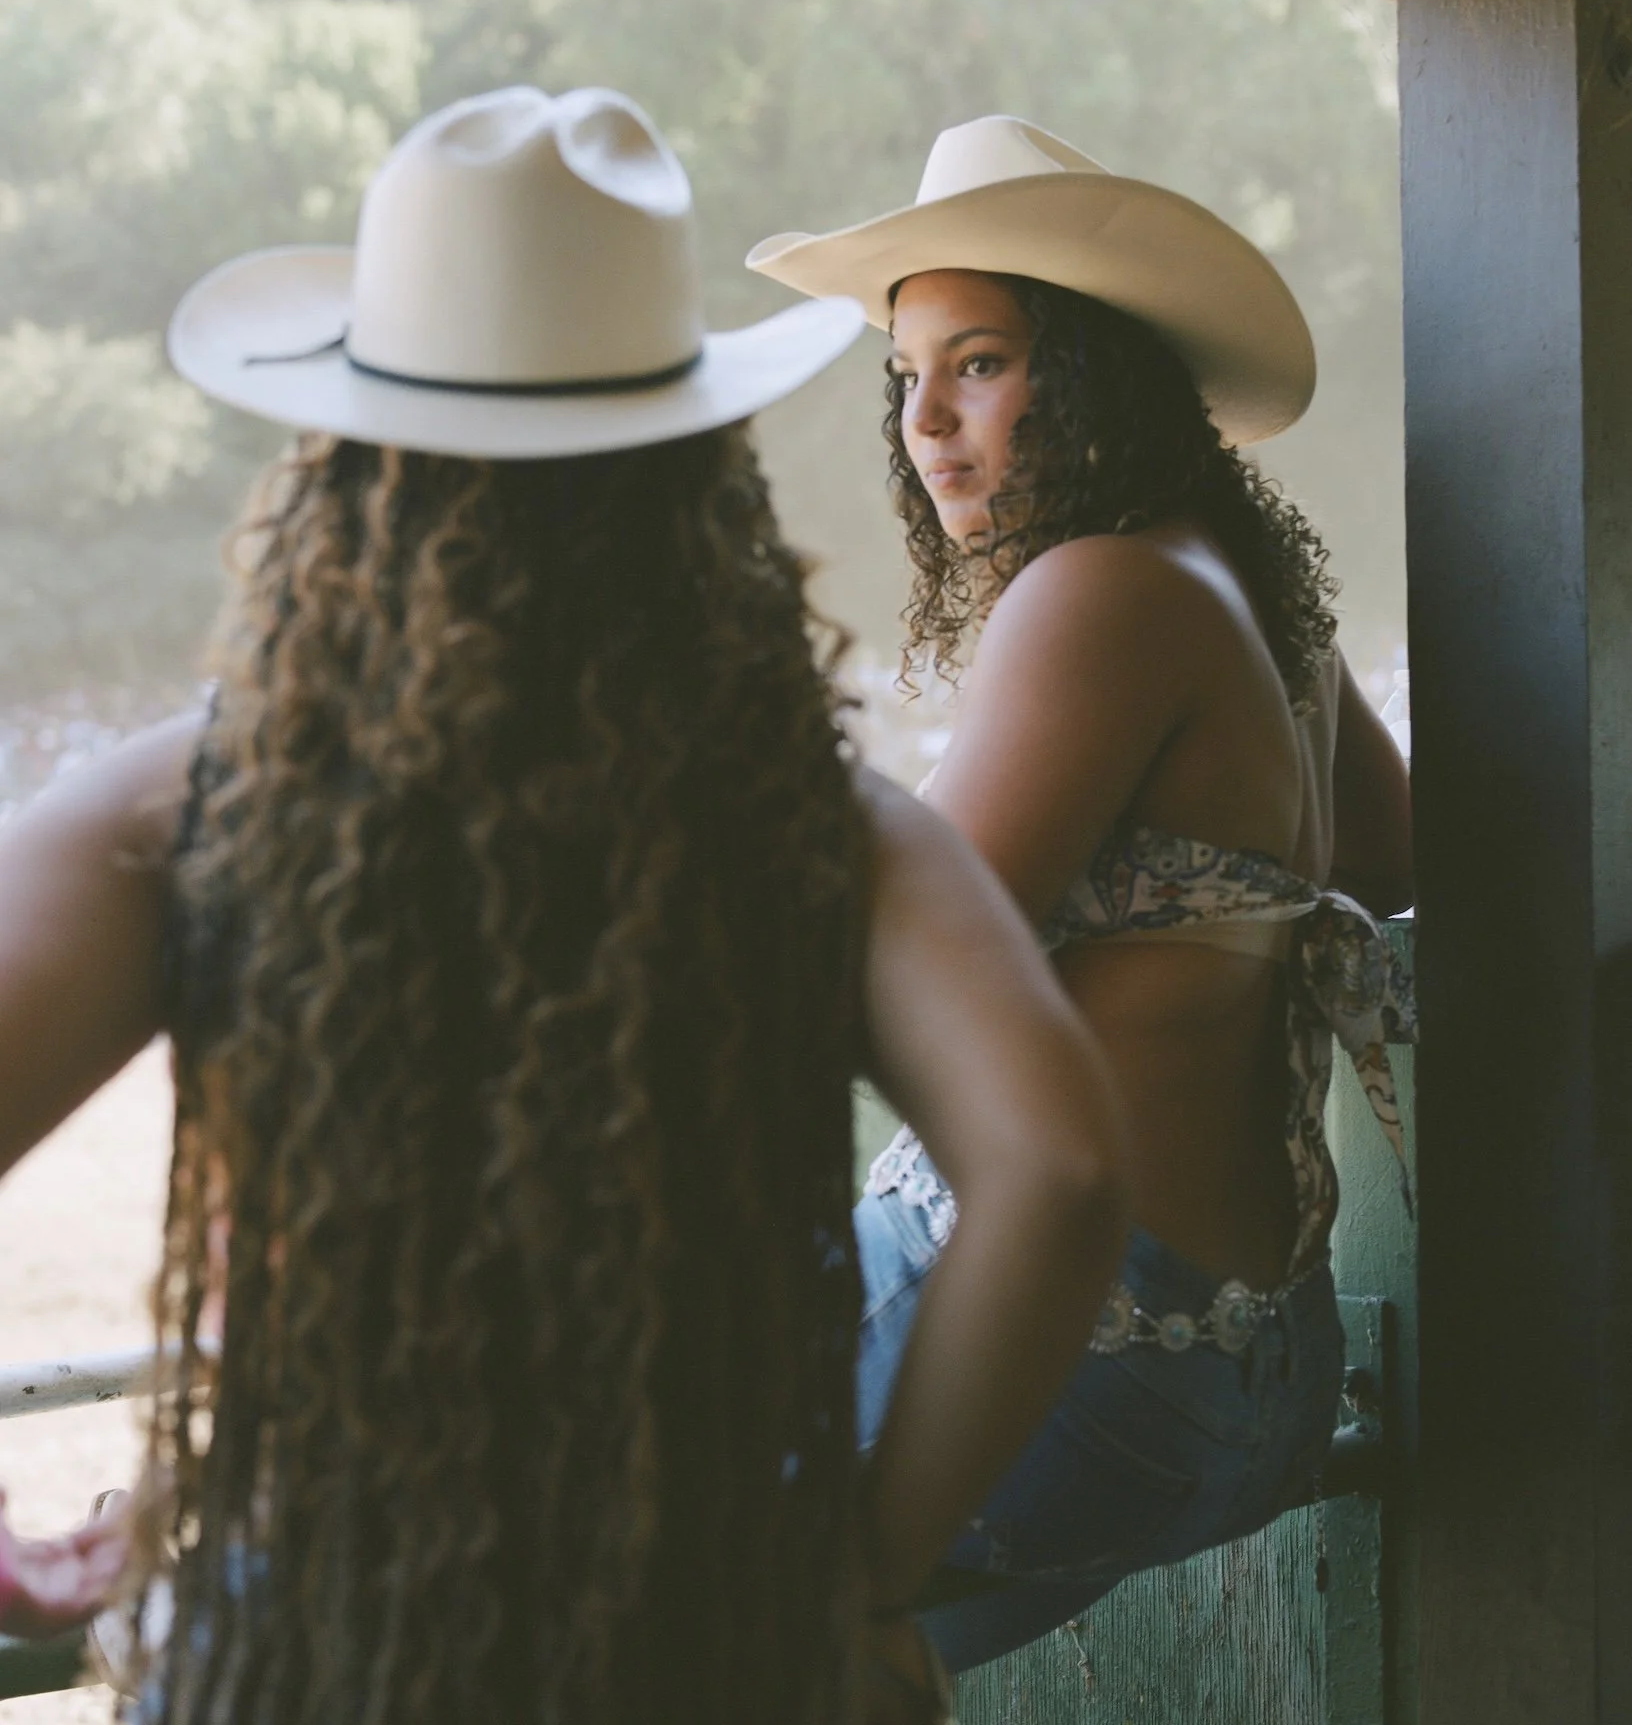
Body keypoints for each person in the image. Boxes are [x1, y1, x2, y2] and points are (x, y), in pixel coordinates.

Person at [0, 89, 1130, 1725]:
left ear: (348, 465)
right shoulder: (819, 827)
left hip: (317, 1630)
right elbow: (1066, 1171)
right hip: (711, 1620)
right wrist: (861, 1569)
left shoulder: (186, 807)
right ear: (695, 471)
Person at [749, 114, 1416, 1669]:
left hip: (1060, 1346)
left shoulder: (1098, 591)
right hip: (1251, 1374)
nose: (926, 420)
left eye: (978, 362)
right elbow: (1393, 861)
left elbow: (880, 968)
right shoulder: (1252, 608)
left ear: (1096, 366)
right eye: (906, 375)